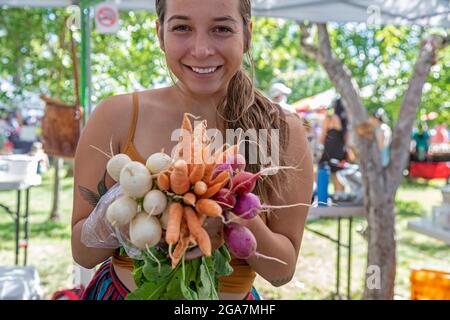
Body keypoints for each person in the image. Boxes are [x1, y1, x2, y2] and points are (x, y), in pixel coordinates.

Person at [72, 0, 314, 301]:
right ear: (160, 34)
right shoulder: (116, 116)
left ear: (247, 34)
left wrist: (230, 213)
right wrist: (138, 202)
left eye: (222, 28)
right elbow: (83, 253)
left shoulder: (282, 128)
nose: (201, 49)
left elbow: (282, 271)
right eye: (182, 27)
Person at [318, 98, 350, 193]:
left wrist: (319, 146)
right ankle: (340, 196)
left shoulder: (331, 117)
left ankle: (324, 197)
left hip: (330, 150)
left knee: (325, 172)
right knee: (337, 173)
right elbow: (346, 138)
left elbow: (323, 134)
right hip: (340, 149)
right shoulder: (345, 119)